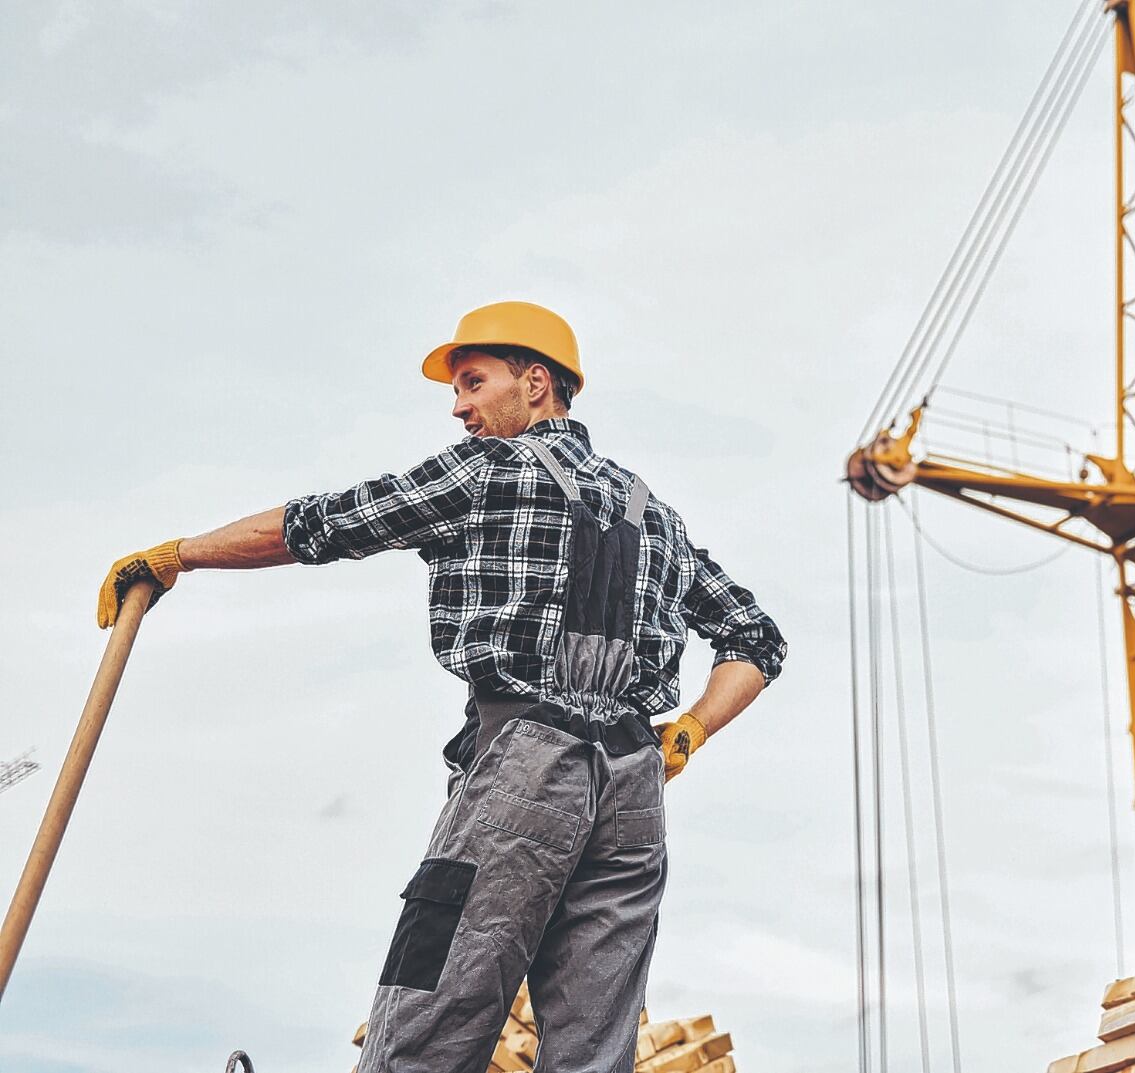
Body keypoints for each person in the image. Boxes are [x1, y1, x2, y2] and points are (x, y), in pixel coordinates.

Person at [96, 300, 787, 1073]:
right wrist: (687, 730)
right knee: (596, 1050)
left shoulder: (489, 472)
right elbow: (755, 638)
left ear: (535, 383)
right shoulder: (652, 513)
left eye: (471, 382)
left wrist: (179, 555)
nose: (458, 406)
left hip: (526, 771)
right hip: (634, 793)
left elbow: (322, 524)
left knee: (429, 1009)